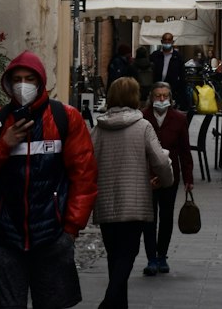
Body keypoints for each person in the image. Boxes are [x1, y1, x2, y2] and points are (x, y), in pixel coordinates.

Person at [0, 50, 97, 309]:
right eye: (17, 79)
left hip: (52, 234)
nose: (23, 85)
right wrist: (2, 145)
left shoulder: (64, 118)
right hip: (8, 236)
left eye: (29, 79)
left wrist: (70, 229)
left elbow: (84, 177)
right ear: (9, 83)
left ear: (41, 82)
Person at [92, 76, 174, 309]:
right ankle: (109, 302)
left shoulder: (98, 129)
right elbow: (159, 160)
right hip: (135, 200)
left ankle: (119, 304)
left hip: (106, 201)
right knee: (128, 253)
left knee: (114, 255)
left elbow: (87, 163)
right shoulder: (143, 126)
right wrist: (167, 180)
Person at [141, 80, 194, 275]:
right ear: (152, 98)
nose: (161, 99)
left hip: (171, 175)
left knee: (166, 216)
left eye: (165, 96)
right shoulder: (143, 117)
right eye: (158, 96)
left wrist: (189, 179)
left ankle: (162, 255)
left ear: (170, 98)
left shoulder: (178, 119)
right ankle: (151, 258)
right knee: (149, 218)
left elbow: (185, 151)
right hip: (148, 175)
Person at [151, 31, 187, 110]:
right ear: (161, 41)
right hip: (156, 87)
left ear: (172, 42)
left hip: (172, 89)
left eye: (169, 40)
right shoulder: (155, 55)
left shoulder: (177, 57)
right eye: (165, 40)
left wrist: (180, 93)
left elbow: (182, 75)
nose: (167, 42)